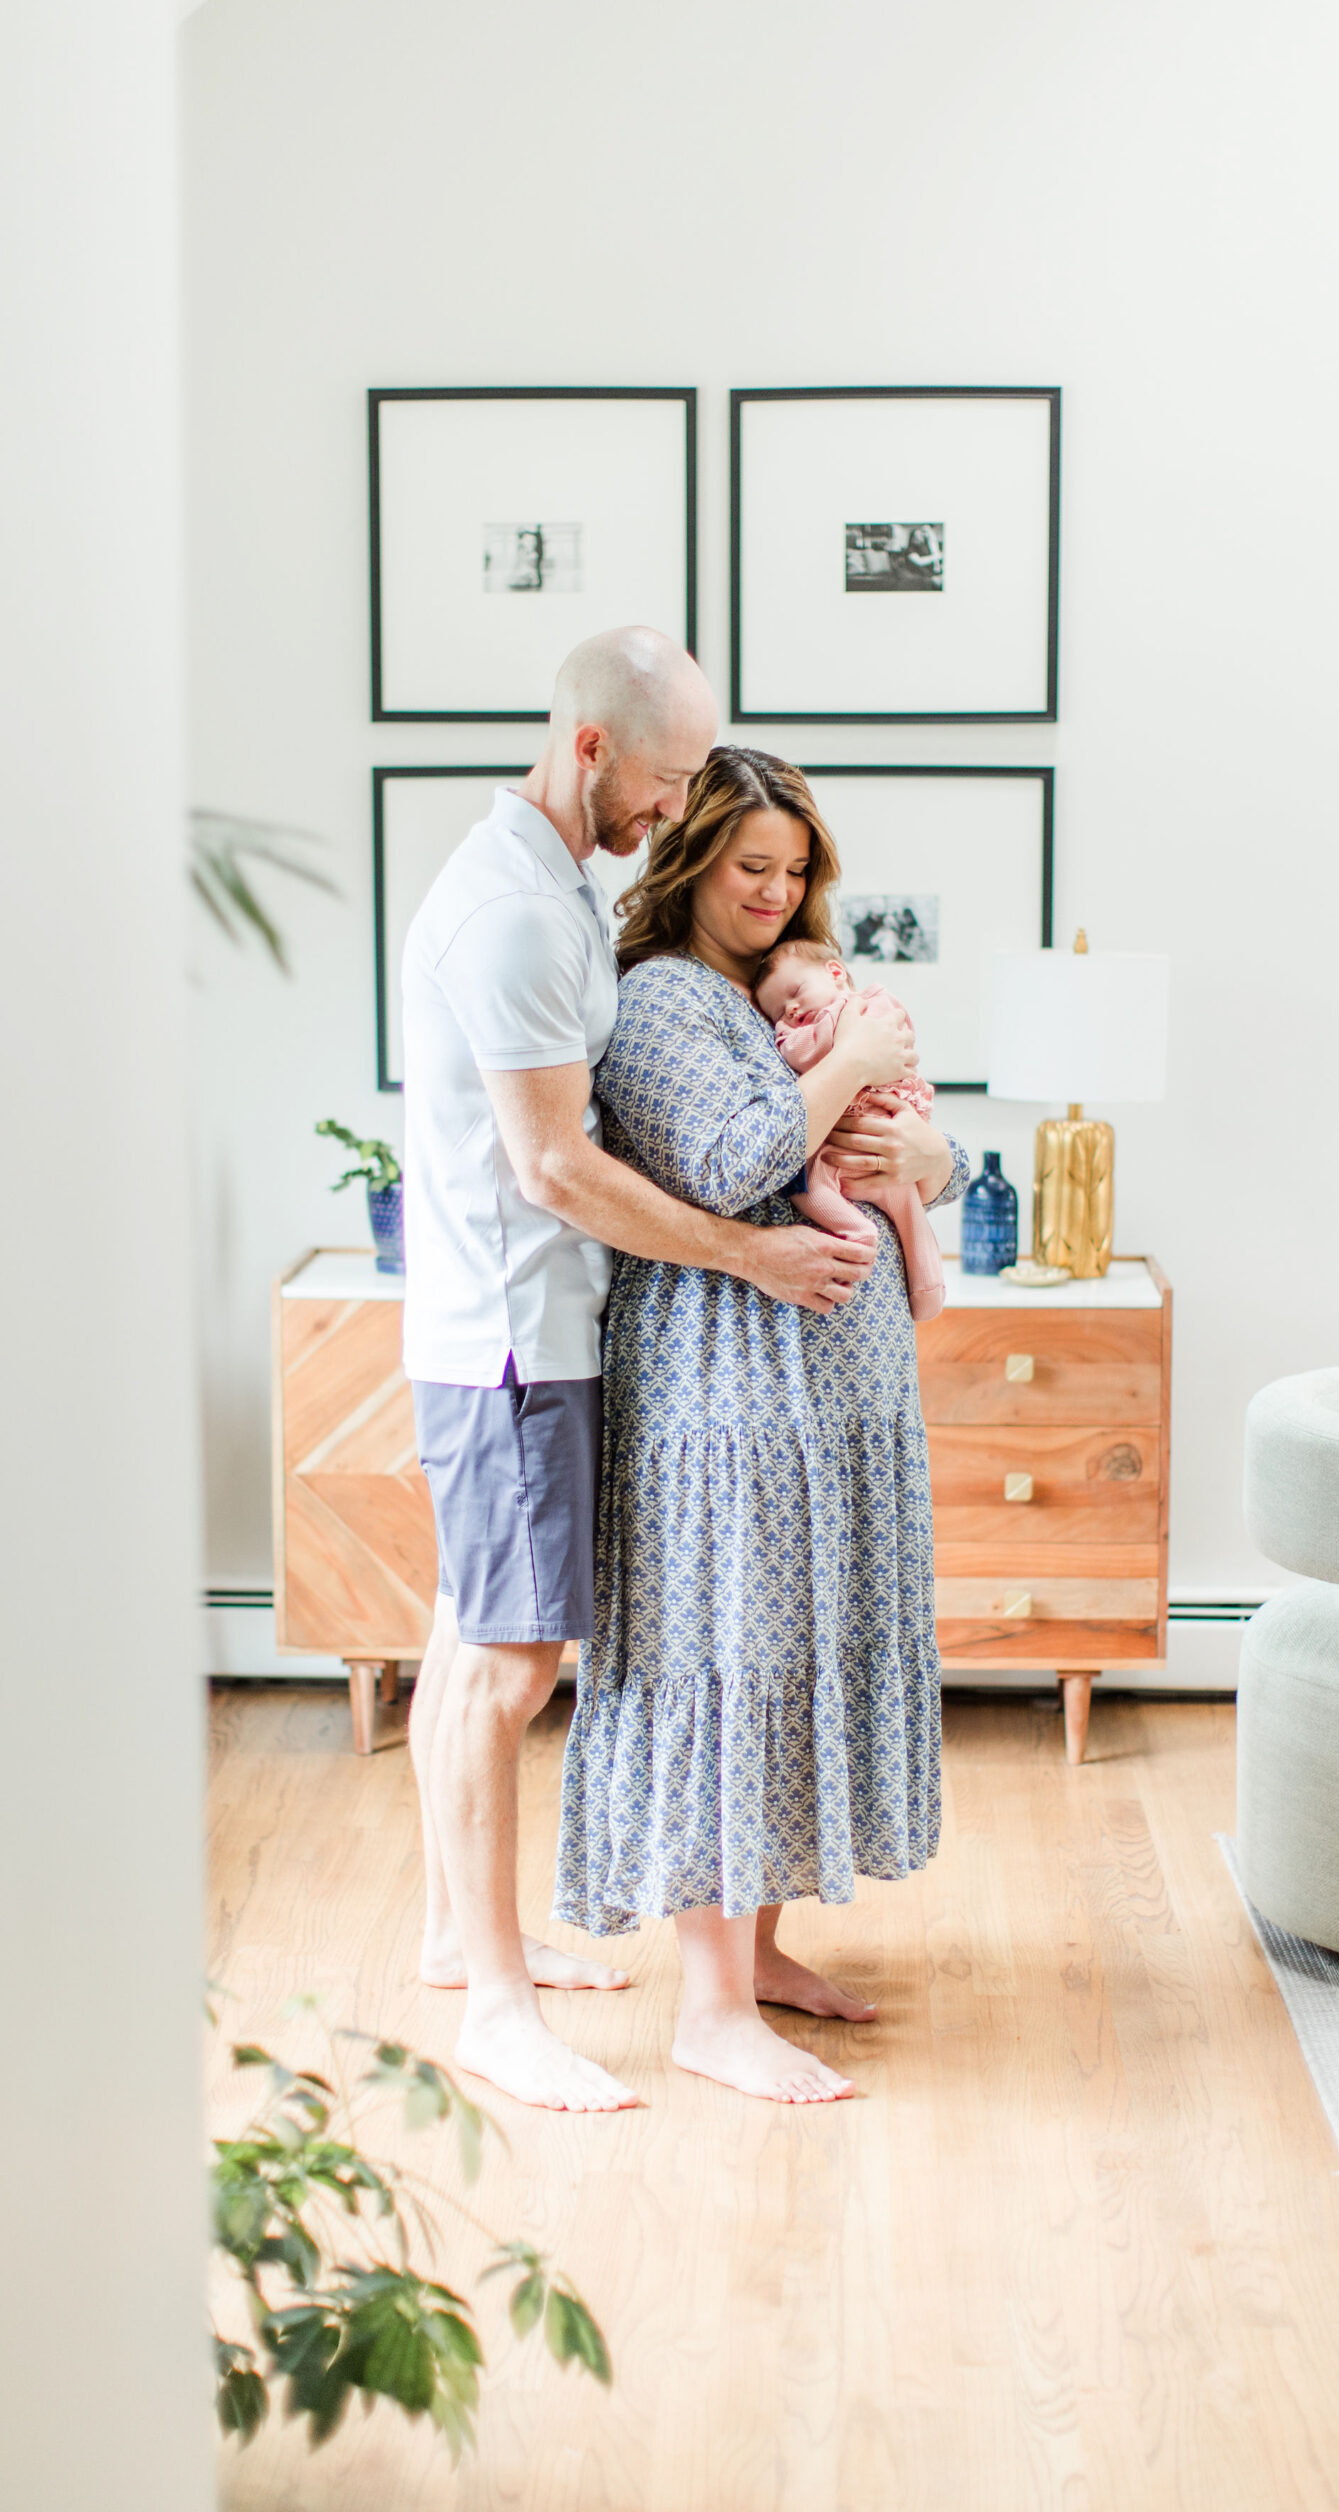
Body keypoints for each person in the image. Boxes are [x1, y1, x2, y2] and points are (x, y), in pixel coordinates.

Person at [401, 632, 878, 2117]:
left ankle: (450, 1939)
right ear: (591, 749)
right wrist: (748, 1258)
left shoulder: (551, 892)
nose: (673, 813)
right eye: (668, 782)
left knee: (466, 1643)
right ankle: (490, 2004)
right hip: (512, 1337)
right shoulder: (517, 919)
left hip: (528, 1328)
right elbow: (553, 1165)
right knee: (508, 1664)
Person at [553, 746, 968, 2105]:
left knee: (797, 1655)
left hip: (830, 1401)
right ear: (691, 865)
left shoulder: (785, 992)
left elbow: (926, 1145)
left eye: (795, 874)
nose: (776, 894)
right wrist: (852, 1057)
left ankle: (765, 1956)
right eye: (751, 869)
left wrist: (922, 1156)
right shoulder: (664, 1000)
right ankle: (709, 2007)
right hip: (725, 1398)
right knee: (727, 1656)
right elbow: (735, 1166)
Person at [754, 938, 946, 1325]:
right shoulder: (795, 1035)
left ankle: (930, 1287)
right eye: (778, 1010)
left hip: (886, 1132)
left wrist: (842, 1037)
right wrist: (843, 1041)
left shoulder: (875, 1003)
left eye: (795, 993)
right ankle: (858, 1233)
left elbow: (890, 1039)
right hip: (832, 1154)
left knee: (909, 1212)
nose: (789, 1009)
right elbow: (799, 1053)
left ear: (836, 974)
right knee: (807, 1189)